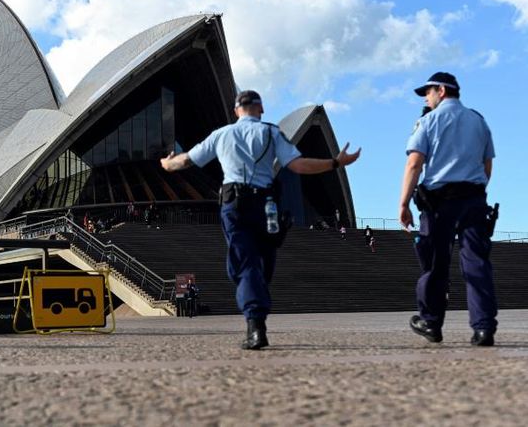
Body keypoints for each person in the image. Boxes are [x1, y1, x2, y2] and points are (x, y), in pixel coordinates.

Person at [161, 90, 361, 349]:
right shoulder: (271, 132)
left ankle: (255, 323)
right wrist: (335, 163)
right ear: (261, 109)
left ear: (236, 111)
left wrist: (167, 165)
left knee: (245, 266)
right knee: (261, 264)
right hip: (266, 206)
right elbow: (298, 166)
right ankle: (256, 317)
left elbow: (186, 160)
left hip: (235, 205)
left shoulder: (222, 134)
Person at [400, 72, 497, 347]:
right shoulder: (479, 120)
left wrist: (404, 202)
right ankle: (483, 328)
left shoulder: (429, 121)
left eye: (428, 93)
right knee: (477, 263)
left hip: (439, 202)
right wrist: (475, 191)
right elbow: (487, 164)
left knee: (435, 263)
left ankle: (431, 322)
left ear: (441, 91)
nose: (427, 99)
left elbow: (414, 163)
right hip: (475, 200)